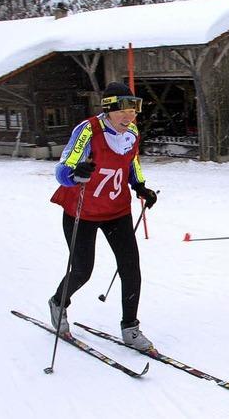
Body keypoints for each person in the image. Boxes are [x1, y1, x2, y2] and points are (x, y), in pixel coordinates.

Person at [48, 81, 158, 351]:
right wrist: (76, 174)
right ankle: (58, 303)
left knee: (131, 267)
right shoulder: (88, 131)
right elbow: (63, 169)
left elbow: (132, 163)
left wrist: (141, 186)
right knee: (83, 270)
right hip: (82, 211)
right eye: (122, 110)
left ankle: (130, 328)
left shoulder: (131, 132)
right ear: (108, 109)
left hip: (116, 210)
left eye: (133, 110)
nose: (129, 116)